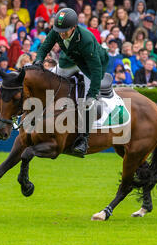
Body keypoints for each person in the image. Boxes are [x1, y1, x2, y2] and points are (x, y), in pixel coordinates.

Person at [34, 8, 109, 157]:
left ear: (74, 27)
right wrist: (38, 61)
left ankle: (83, 140)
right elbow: (45, 46)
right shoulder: (58, 30)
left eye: (65, 31)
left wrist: (92, 94)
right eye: (59, 30)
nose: (61, 34)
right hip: (69, 61)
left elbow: (96, 69)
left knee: (88, 103)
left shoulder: (86, 39)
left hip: (91, 67)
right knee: (45, 80)